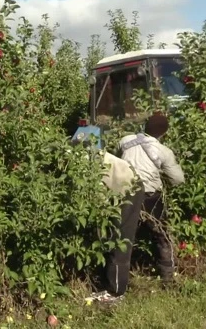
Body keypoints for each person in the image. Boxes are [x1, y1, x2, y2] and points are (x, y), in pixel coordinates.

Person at [88, 113, 185, 305]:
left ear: (145, 126)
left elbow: (118, 162)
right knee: (161, 235)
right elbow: (178, 180)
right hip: (151, 198)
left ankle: (115, 284)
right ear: (163, 133)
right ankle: (168, 277)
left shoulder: (126, 140)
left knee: (122, 238)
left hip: (123, 193)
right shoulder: (163, 151)